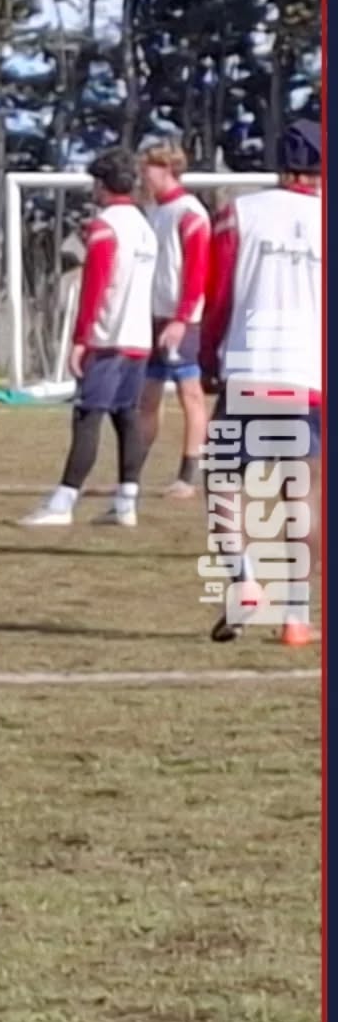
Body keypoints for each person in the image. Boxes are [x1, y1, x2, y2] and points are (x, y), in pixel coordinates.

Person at [200, 118, 322, 647]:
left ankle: (243, 580)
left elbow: (218, 293)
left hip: (248, 366)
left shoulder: (240, 213)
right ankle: (296, 615)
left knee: (223, 479)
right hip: (310, 373)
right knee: (300, 490)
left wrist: (208, 352)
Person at [20, 148, 157, 528]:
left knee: (87, 416)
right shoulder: (145, 227)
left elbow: (95, 287)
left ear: (102, 185)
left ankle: (63, 502)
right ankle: (126, 502)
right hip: (139, 336)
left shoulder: (105, 226)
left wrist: (81, 339)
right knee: (126, 416)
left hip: (108, 337)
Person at [138, 144, 212, 498]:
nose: (143, 175)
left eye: (148, 168)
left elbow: (197, 272)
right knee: (148, 396)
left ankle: (188, 475)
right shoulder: (153, 211)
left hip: (182, 319)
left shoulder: (190, 213)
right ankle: (133, 471)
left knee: (190, 393)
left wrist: (182, 319)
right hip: (152, 315)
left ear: (166, 169)